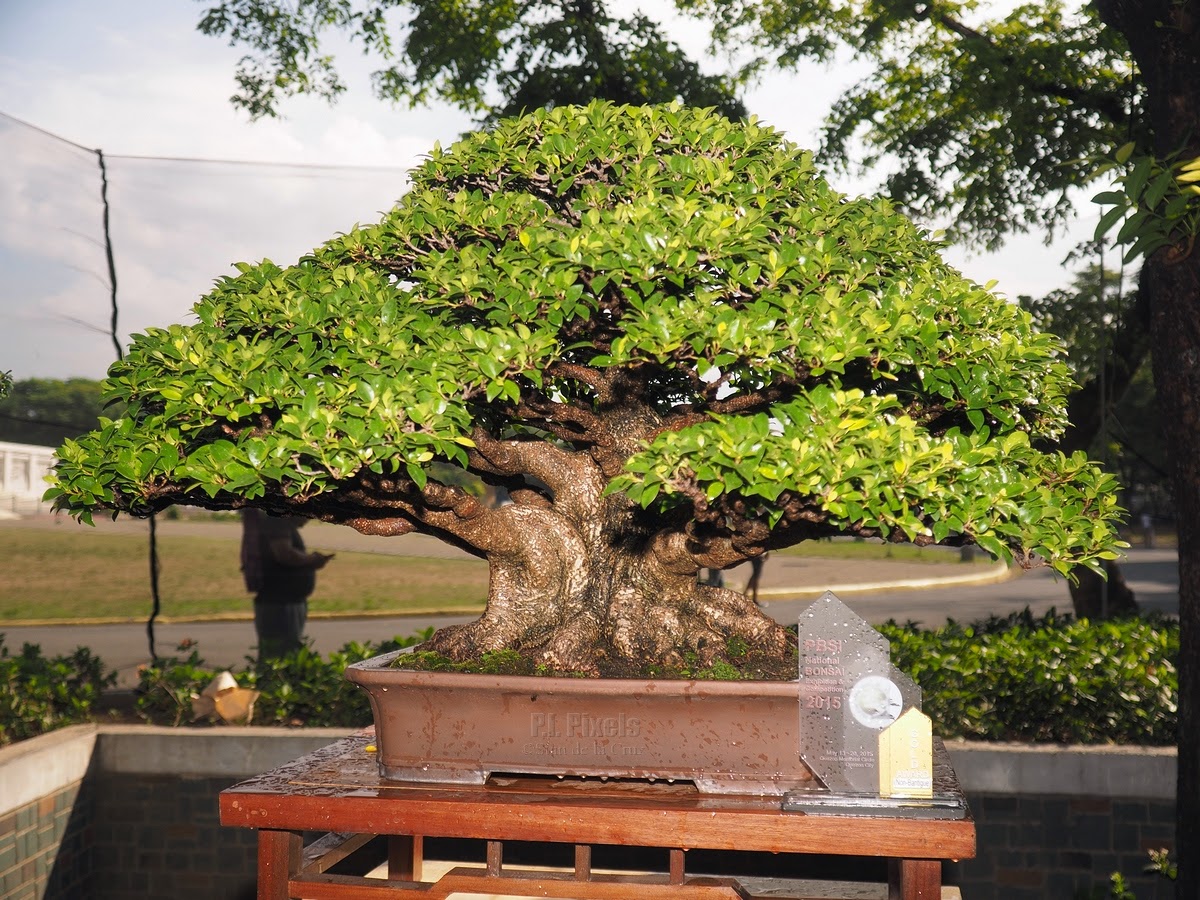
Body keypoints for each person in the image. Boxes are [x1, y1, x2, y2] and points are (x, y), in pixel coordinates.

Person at [240, 508, 334, 660]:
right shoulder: (278, 522)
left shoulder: (281, 524)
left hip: (285, 602)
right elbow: (284, 554)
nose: (308, 520)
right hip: (281, 604)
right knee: (280, 655)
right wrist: (312, 560)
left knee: (285, 652)